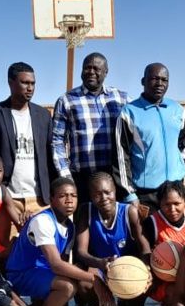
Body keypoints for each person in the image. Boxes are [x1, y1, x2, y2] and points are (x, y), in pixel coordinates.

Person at [5, 177, 115, 306]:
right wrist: (94, 279)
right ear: (51, 199)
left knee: (74, 276)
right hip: (21, 274)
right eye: (63, 196)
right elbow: (56, 265)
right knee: (68, 287)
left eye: (73, 195)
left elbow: (62, 269)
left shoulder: (69, 227)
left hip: (41, 274)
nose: (69, 200)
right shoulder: (43, 221)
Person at [0, 62, 56, 234]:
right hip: (6, 198)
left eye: (32, 83)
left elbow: (50, 157)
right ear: (10, 83)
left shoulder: (43, 115)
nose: (30, 88)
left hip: (39, 199)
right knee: (5, 248)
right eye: (25, 83)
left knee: (41, 247)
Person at [74, 172, 151, 306]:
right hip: (100, 267)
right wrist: (100, 263)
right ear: (90, 196)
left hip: (128, 270)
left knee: (146, 279)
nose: (103, 198)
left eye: (107, 192)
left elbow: (144, 247)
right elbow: (81, 251)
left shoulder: (129, 211)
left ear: (115, 191)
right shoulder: (86, 211)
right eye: (97, 194)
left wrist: (146, 269)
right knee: (82, 281)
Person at [113, 63, 185, 215]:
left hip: (176, 191)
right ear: (143, 81)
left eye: (164, 80)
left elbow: (182, 146)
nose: (160, 83)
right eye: (154, 78)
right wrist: (129, 194)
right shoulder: (129, 113)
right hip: (147, 195)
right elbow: (121, 157)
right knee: (149, 231)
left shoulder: (178, 110)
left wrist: (182, 176)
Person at [52, 52, 129, 202]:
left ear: (106, 72)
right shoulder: (66, 100)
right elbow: (57, 140)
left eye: (96, 68)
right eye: (87, 68)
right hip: (82, 179)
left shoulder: (122, 99)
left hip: (116, 178)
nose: (91, 72)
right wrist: (66, 176)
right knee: (84, 216)